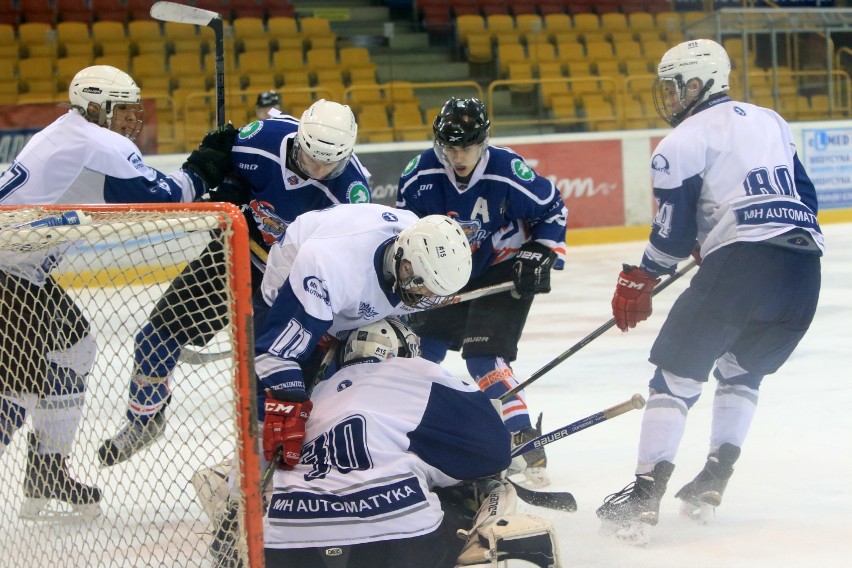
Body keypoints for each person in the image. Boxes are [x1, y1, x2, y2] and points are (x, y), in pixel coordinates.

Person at [595, 39, 823, 547]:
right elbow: (803, 197)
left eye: (676, 87)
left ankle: (643, 498)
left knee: (674, 376)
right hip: (804, 270)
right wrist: (718, 240)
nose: (670, 98)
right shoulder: (770, 120)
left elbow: (672, 237)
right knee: (742, 371)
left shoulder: (679, 143)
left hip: (745, 266)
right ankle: (713, 481)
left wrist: (645, 275)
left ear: (700, 84)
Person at [0, 64, 234, 522]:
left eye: (135, 109)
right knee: (18, 387)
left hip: (22, 269)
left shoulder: (72, 135)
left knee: (74, 349)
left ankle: (46, 469)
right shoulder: (97, 140)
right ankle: (44, 466)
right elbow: (166, 198)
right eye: (122, 109)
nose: (134, 119)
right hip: (8, 270)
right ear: (93, 107)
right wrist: (206, 163)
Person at [98, 99, 373, 467]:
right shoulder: (259, 141)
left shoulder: (351, 194)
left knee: (271, 381)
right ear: (299, 142)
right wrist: (225, 181)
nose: (321, 170)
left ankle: (267, 467)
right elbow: (218, 165)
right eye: (312, 159)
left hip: (291, 284)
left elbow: (346, 263)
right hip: (235, 253)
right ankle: (143, 420)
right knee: (155, 337)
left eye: (331, 163)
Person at [217, 317, 560, 567]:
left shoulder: (310, 396)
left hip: (286, 550)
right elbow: (492, 453)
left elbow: (241, 482)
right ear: (407, 351)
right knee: (491, 488)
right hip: (396, 547)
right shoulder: (417, 374)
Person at [396, 97, 568, 488]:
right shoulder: (418, 174)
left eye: (467, 147)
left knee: (483, 357)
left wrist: (539, 252)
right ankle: (418, 433)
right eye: (451, 147)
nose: (458, 156)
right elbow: (403, 233)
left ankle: (523, 433)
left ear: (484, 141)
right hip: (444, 272)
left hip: (502, 268)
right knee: (420, 353)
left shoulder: (508, 170)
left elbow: (553, 209)